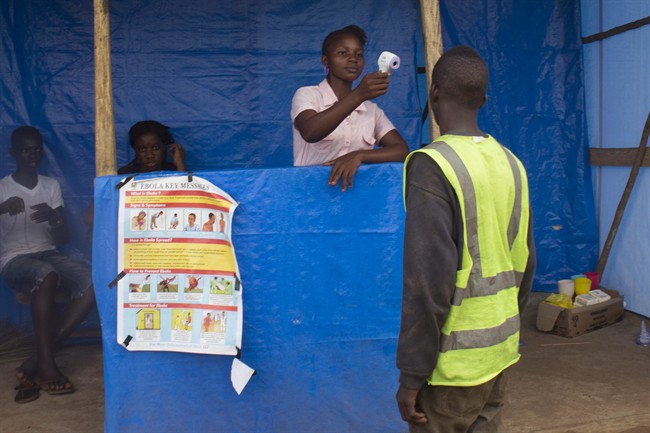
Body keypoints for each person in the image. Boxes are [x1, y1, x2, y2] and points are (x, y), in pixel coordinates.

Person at [395, 46, 536, 432]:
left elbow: (427, 284)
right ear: (484, 99)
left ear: (434, 92)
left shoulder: (433, 165)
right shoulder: (512, 163)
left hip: (451, 370)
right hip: (499, 354)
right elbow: (526, 263)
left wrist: (412, 375)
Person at [0, 126, 96, 402]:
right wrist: (3, 209)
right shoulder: (3, 187)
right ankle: (47, 366)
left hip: (49, 253)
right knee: (47, 274)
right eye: (27, 149)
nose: (34, 154)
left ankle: (37, 363)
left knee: (91, 282)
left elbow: (63, 237)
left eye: (38, 149)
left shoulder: (50, 185)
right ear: (13, 153)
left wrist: (55, 219)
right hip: (14, 260)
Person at [291, 24, 409, 191]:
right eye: (343, 53)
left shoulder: (372, 111)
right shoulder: (307, 95)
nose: (353, 59)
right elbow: (311, 131)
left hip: (357, 200)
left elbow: (401, 151)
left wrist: (359, 155)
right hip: (310, 199)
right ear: (326, 61)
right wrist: (359, 94)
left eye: (359, 54)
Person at [118, 120, 186, 174]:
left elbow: (187, 188)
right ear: (135, 150)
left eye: (155, 148)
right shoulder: (124, 174)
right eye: (142, 150)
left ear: (164, 148)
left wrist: (179, 164)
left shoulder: (175, 171)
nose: (149, 155)